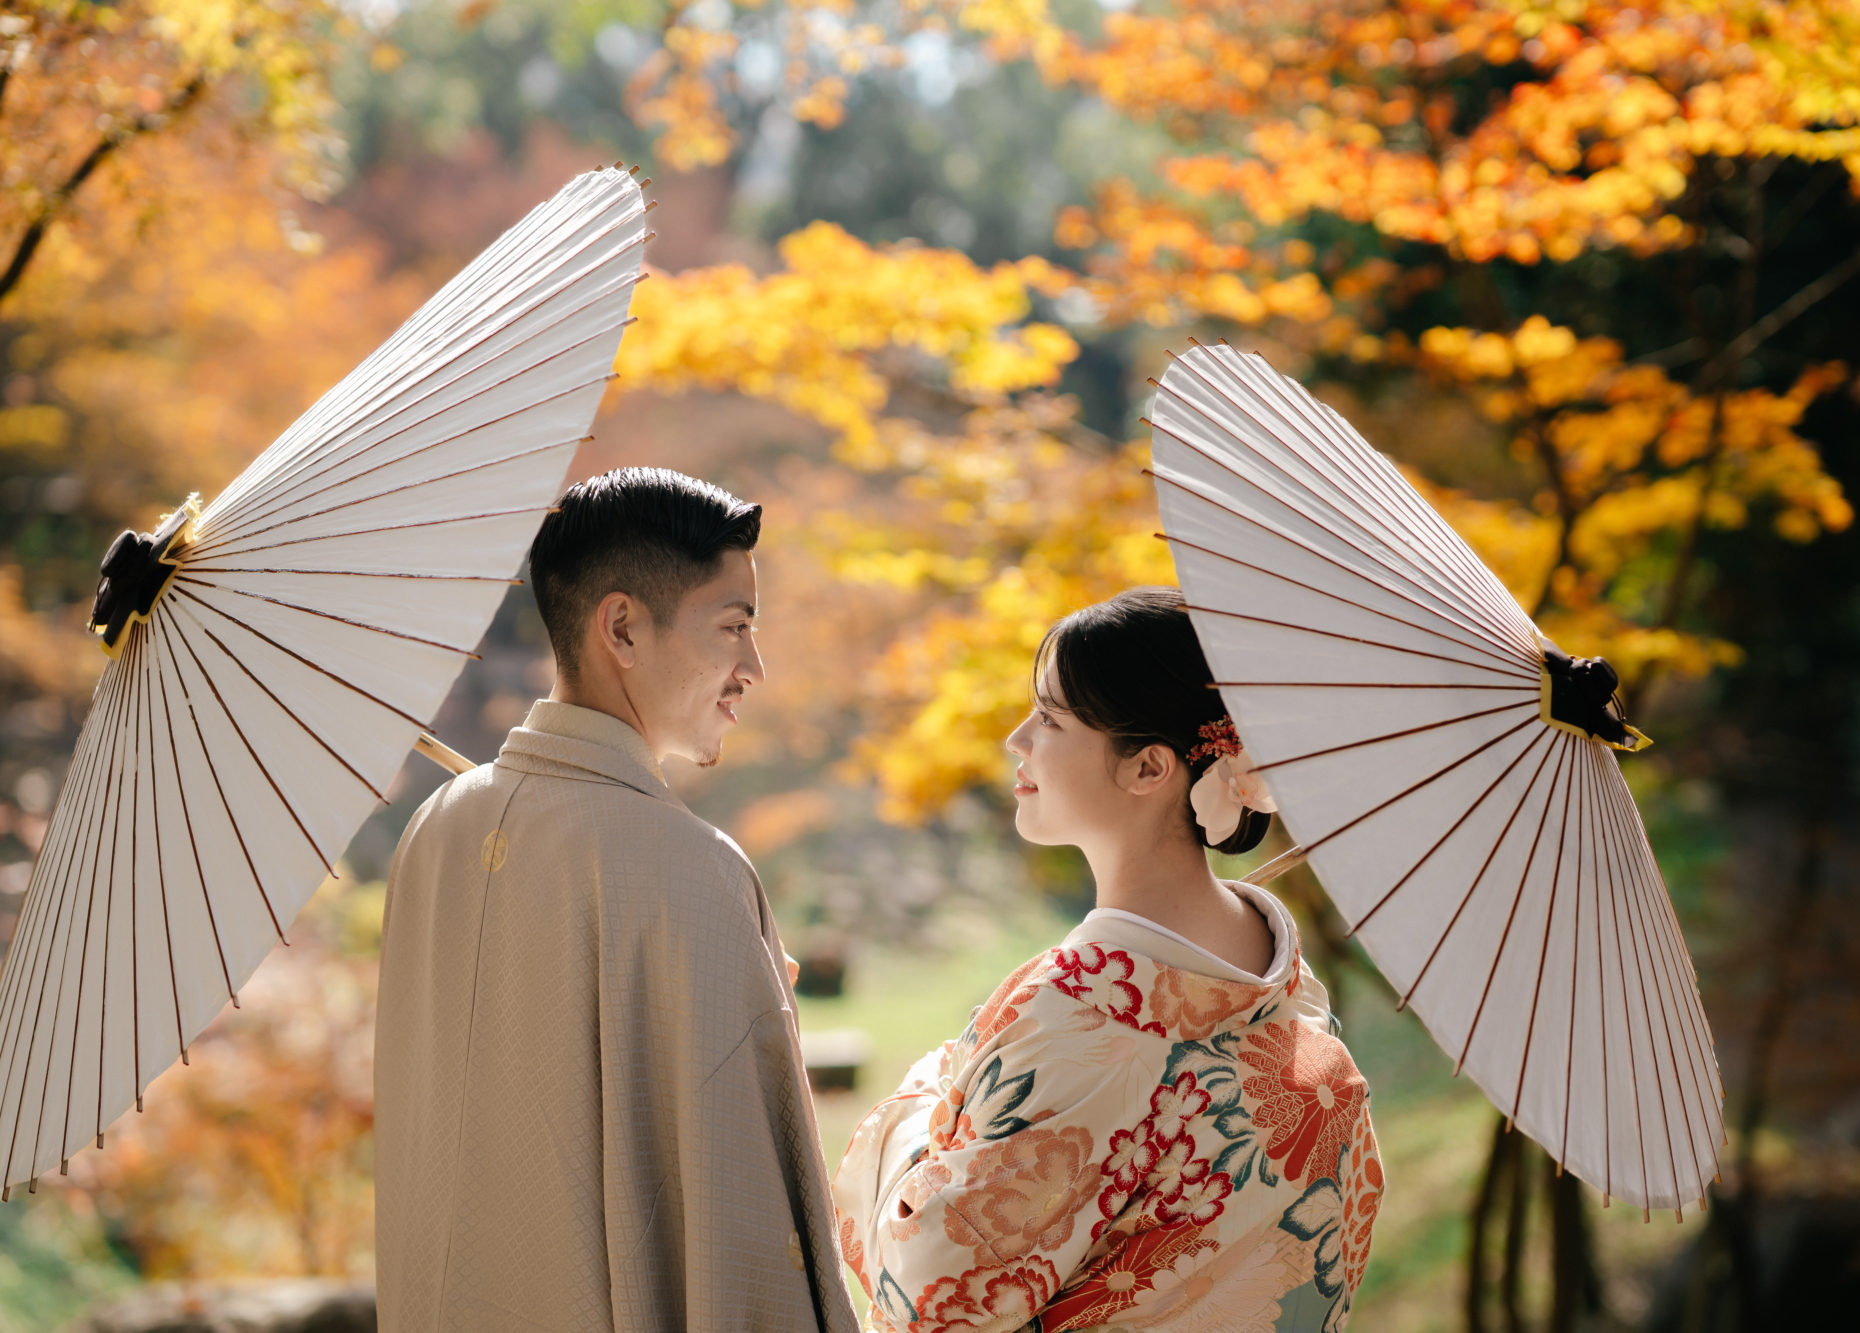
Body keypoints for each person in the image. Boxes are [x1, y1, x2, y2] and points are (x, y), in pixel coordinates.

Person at [374, 468, 859, 1333]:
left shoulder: (434, 827)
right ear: (623, 627)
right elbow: (747, 1233)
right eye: (734, 627)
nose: (754, 667)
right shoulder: (688, 865)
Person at [832, 587, 1384, 1333]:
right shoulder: (1301, 1023)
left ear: (1151, 768)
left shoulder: (1077, 1013)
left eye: (1052, 718)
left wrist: (930, 1094)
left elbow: (926, 1300)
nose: (1017, 739)